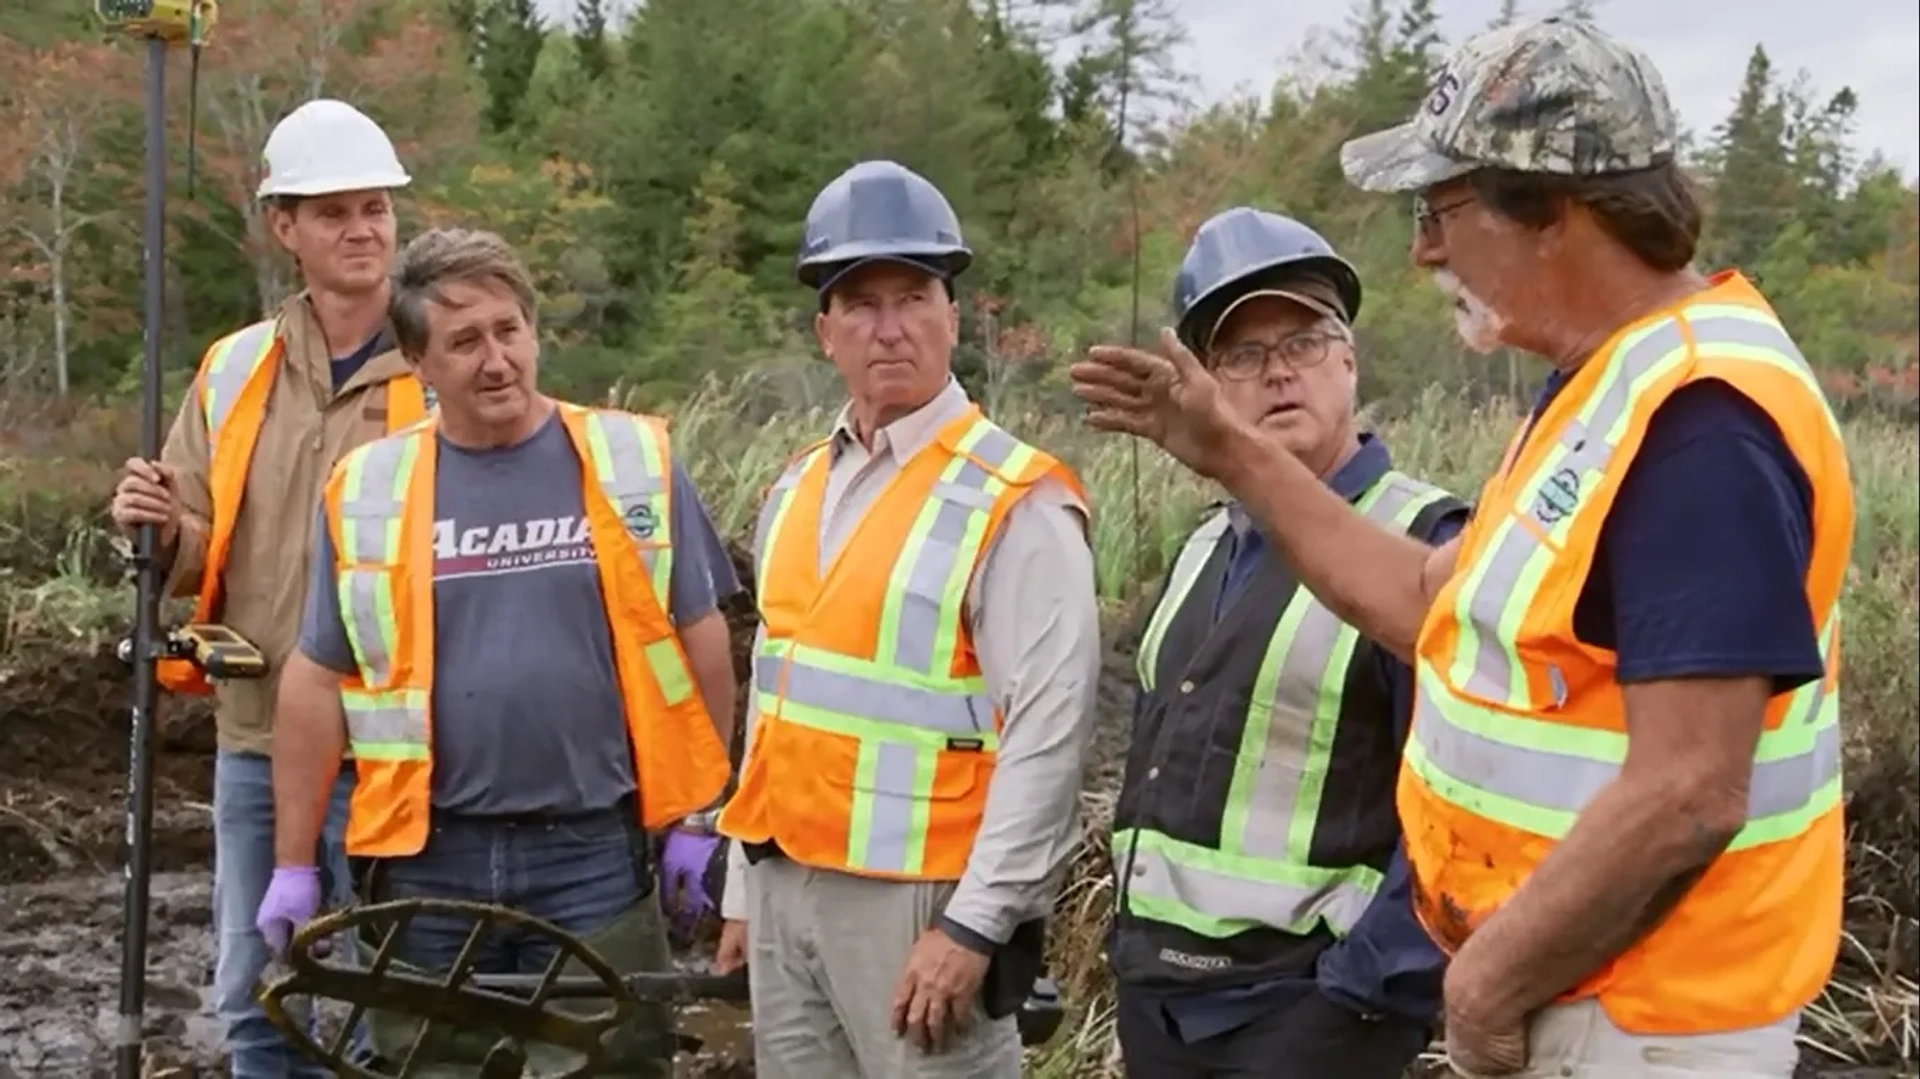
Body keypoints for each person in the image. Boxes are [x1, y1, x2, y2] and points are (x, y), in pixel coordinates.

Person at [1069, 15, 1853, 1079]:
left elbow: (1690, 790)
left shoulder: (1700, 418)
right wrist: (1230, 453)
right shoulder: (1603, 392)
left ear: (1552, 211)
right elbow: (1429, 597)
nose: (1424, 249)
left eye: (1439, 209)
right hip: (1588, 1002)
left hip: (1644, 1022)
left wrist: (1483, 984)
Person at [259, 227, 740, 1077]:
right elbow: (316, 678)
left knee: (613, 1063)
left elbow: (700, 638)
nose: (496, 359)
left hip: (592, 852)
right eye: (465, 341)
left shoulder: (632, 464)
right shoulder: (368, 490)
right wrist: (294, 863)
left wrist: (700, 818)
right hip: (424, 858)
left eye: (508, 329)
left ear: (533, 330)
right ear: (417, 360)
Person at [711, 159, 1102, 1079]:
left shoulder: (1016, 499)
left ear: (953, 315)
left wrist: (976, 922)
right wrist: (740, 885)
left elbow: (1051, 731)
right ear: (825, 332)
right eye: (860, 303)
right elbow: (774, 698)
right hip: (785, 884)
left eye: (913, 296)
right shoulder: (799, 485)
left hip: (919, 905)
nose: (889, 328)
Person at [105, 98, 429, 1078]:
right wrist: (158, 529)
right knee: (254, 998)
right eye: (333, 212)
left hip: (396, 746)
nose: (362, 228)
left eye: (374, 207)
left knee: (393, 1010)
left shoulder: (443, 363)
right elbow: (204, 549)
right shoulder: (235, 367)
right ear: (283, 227)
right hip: (255, 738)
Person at [1108, 206, 1469, 1078]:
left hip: (1309, 1017)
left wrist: (1366, 988)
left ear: (1349, 359)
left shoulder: (1424, 543)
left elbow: (1463, 797)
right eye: (1241, 355)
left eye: (1301, 342)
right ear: (1206, 386)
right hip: (1162, 1005)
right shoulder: (1204, 545)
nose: (1276, 375)